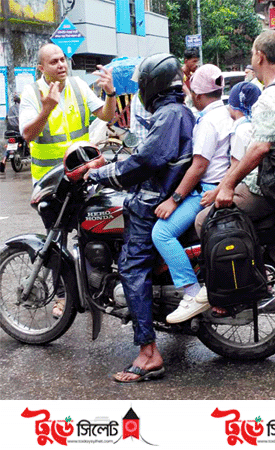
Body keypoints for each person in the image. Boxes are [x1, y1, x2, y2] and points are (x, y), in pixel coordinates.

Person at [85, 53, 196, 382]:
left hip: (152, 201)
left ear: (153, 86)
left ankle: (148, 352)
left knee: (132, 267)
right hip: (162, 194)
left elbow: (147, 161)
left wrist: (101, 174)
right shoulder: (174, 111)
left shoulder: (170, 114)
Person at [193, 30, 275, 291]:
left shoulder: (272, 96)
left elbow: (259, 148)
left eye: (252, 54)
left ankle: (224, 292)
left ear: (260, 56)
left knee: (204, 220)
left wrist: (227, 186)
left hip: (268, 188)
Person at [19, 43, 117, 317]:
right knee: (56, 241)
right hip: (51, 183)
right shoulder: (32, 93)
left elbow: (107, 116)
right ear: (42, 68)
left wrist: (110, 92)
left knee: (94, 230)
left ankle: (97, 290)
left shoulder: (77, 86)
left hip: (83, 177)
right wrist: (47, 108)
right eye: (54, 61)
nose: (61, 64)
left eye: (63, 59)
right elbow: (28, 134)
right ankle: (62, 297)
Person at [146, 64, 231, 324]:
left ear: (196, 95)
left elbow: (199, 167)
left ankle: (192, 292)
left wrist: (174, 200)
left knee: (161, 233)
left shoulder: (207, 122)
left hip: (205, 191)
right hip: (219, 185)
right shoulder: (224, 113)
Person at [1, 94, 20, 173]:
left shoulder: (11, 109)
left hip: (10, 131)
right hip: (18, 130)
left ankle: (4, 160)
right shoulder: (21, 108)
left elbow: (6, 119)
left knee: (9, 146)